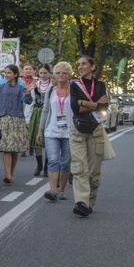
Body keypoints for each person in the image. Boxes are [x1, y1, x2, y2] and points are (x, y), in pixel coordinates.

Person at [69, 55, 109, 217]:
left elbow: (103, 107)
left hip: (96, 131)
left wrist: (83, 102)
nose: (80, 66)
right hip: (78, 129)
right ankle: (81, 202)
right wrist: (93, 104)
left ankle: (89, 202)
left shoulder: (100, 85)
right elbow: (74, 109)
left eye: (84, 64)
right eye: (78, 64)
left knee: (93, 172)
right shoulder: (75, 85)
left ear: (93, 67)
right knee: (79, 168)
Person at [37, 61, 74, 201]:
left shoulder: (74, 91)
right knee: (53, 160)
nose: (60, 75)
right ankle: (52, 190)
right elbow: (45, 111)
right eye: (58, 73)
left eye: (64, 73)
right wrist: (40, 130)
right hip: (51, 131)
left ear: (69, 75)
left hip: (69, 131)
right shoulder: (51, 91)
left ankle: (62, 190)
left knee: (65, 162)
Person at [0, 64, 29, 184]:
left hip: (17, 119)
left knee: (15, 149)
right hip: (4, 119)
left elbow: (27, 100)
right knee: (6, 148)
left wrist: (29, 92)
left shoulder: (21, 88)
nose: (7, 75)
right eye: (5, 73)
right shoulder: (0, 87)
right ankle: (7, 175)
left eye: (9, 73)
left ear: (15, 74)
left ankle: (11, 174)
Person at [25, 64, 52, 176]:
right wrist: (27, 117)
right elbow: (29, 102)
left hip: (49, 113)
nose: (43, 75)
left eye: (45, 73)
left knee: (48, 141)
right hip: (36, 112)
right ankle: (39, 164)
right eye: (41, 73)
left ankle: (46, 166)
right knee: (37, 141)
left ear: (49, 73)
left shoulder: (53, 85)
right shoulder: (35, 85)